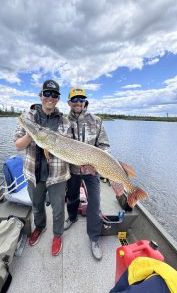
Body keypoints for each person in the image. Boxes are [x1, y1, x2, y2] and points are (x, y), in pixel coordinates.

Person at [14, 80, 71, 256]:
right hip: (34, 172)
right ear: (41, 96)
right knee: (37, 205)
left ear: (58, 99)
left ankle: (57, 235)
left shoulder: (64, 121)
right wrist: (33, 134)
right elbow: (18, 145)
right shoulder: (28, 117)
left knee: (59, 208)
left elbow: (68, 147)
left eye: (54, 95)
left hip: (58, 175)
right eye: (47, 94)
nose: (50, 98)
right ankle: (40, 227)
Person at [64, 87, 111, 260]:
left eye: (81, 99)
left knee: (95, 202)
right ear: (69, 102)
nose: (78, 102)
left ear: (85, 101)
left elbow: (105, 146)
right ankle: (72, 217)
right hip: (72, 168)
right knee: (72, 196)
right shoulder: (62, 121)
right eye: (74, 99)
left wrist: (95, 165)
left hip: (92, 170)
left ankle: (94, 238)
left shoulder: (96, 120)